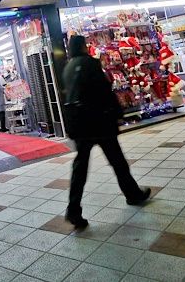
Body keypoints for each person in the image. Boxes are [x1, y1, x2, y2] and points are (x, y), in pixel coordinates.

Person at [63, 35, 150, 230]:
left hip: (79, 123)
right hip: (98, 121)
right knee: (117, 160)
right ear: (83, 47)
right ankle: (133, 194)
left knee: (80, 168)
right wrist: (117, 112)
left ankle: (73, 209)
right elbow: (104, 90)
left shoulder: (68, 67)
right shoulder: (90, 63)